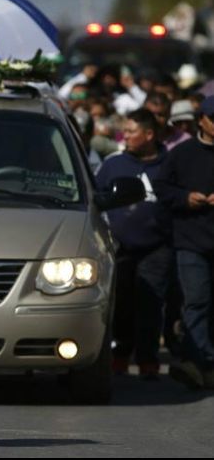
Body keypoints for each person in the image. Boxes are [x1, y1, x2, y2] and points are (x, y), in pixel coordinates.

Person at [95, 109, 174, 380]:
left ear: (149, 134)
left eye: (131, 132)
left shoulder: (169, 164)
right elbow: (97, 197)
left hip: (157, 246)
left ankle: (148, 359)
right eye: (123, 131)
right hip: (120, 247)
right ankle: (120, 354)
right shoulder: (113, 164)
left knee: (150, 303)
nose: (125, 137)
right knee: (123, 302)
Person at [155, 95, 214, 389]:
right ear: (201, 120)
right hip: (191, 241)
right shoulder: (182, 153)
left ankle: (201, 362)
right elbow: (162, 188)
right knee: (197, 301)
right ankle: (199, 359)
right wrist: (185, 198)